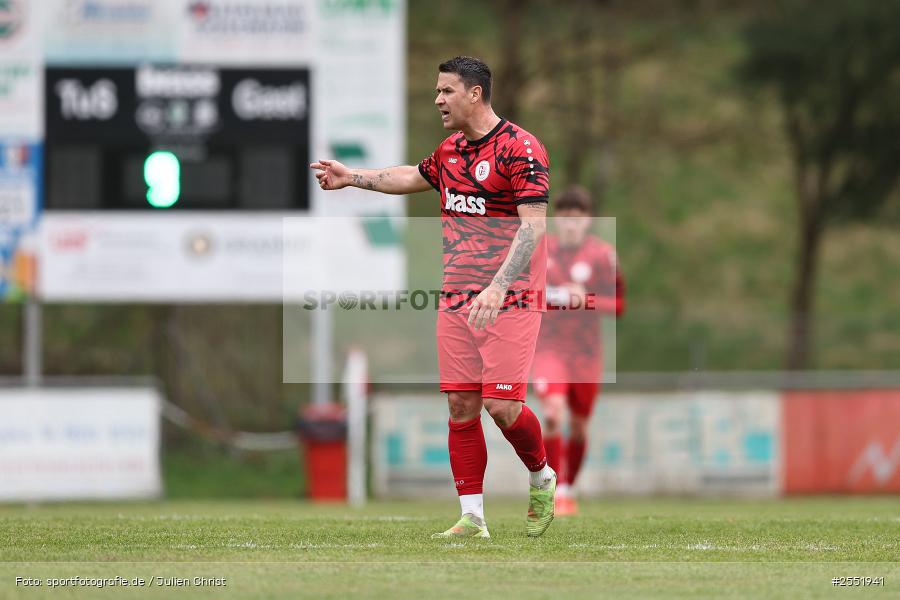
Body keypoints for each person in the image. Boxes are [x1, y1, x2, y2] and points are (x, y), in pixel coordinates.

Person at [310, 56, 555, 538]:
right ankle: (473, 517)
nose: (438, 99)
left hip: (512, 296)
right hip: (456, 297)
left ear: (475, 94)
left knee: (501, 407)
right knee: (461, 407)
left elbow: (534, 227)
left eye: (446, 91)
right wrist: (351, 177)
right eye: (437, 91)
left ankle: (541, 473)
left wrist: (498, 285)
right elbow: (410, 177)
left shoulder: (521, 149)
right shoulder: (450, 152)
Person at [531, 185, 624, 516]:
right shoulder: (540, 251)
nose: (571, 224)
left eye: (578, 218)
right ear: (557, 220)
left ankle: (569, 488)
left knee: (580, 425)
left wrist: (586, 300)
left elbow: (620, 304)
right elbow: (521, 292)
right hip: (549, 348)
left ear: (588, 221)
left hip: (586, 353)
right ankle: (553, 489)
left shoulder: (603, 256)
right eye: (565, 217)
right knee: (553, 414)